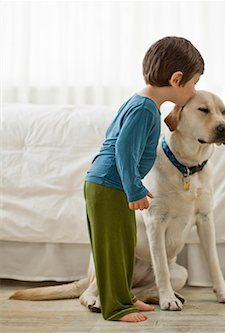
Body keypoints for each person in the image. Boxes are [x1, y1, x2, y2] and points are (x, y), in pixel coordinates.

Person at [84, 36, 204, 322]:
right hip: (110, 185)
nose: (193, 90)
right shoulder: (145, 109)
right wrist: (134, 188)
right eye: (193, 83)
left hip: (111, 184)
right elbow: (123, 152)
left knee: (125, 244)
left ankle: (126, 297)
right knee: (113, 248)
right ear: (177, 79)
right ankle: (115, 308)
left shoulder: (140, 101)